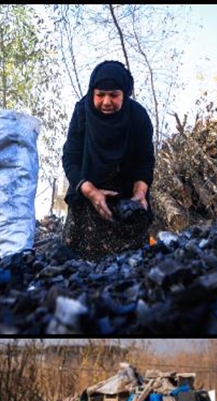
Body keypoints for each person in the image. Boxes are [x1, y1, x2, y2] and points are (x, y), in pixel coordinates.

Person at [61, 60, 155, 260]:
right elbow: (70, 159)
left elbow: (145, 161)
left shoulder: (138, 117)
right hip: (88, 193)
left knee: (132, 266)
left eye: (113, 95)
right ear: (92, 93)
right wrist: (92, 193)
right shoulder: (81, 113)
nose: (106, 102)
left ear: (124, 94)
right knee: (77, 266)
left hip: (127, 196)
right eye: (100, 95)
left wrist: (139, 194)